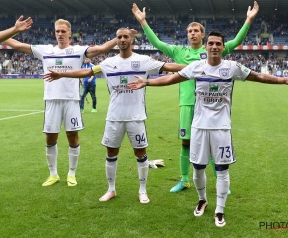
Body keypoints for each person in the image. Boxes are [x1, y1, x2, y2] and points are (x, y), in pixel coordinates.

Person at [127, 30, 288, 227]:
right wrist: (147, 82)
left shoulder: (232, 67)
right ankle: (202, 200)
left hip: (221, 128)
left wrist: (284, 80)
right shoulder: (196, 67)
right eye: (211, 43)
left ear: (222, 47)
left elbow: (258, 76)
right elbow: (171, 79)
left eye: (218, 44)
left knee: (222, 169)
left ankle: (220, 210)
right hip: (199, 127)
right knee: (198, 168)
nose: (215, 47)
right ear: (206, 46)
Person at [43, 27, 186, 203]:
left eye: (126, 36)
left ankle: (142, 190)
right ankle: (111, 189)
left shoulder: (143, 61)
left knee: (141, 154)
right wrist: (60, 74)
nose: (122, 39)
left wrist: (195, 68)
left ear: (131, 39)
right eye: (119, 37)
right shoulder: (108, 63)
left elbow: (169, 66)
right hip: (114, 117)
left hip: (136, 117)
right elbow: (86, 72)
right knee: (111, 153)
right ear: (116, 40)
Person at [132, 1, 259, 193]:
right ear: (187, 34)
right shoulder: (178, 52)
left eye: (196, 30)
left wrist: (248, 20)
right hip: (187, 103)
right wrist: (143, 22)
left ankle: (218, 179)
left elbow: (235, 42)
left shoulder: (210, 50)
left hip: (209, 105)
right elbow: (157, 44)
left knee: (211, 143)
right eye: (190, 31)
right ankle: (184, 180)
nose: (192, 33)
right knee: (186, 142)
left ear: (203, 34)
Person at [4, 19, 120, 187]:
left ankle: (71, 174)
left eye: (63, 31)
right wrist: (13, 29)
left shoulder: (78, 50)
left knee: (72, 136)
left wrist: (119, 38)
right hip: (51, 100)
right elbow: (17, 45)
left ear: (69, 33)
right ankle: (53, 174)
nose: (60, 34)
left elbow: (102, 49)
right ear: (54, 32)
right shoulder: (45, 50)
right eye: (57, 31)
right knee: (50, 138)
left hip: (71, 100)